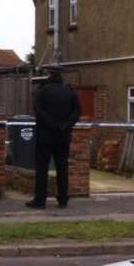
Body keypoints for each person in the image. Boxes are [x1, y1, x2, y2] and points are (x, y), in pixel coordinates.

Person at [26, 65, 80, 209]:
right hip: (63, 136)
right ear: (61, 75)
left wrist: (53, 124)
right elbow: (77, 112)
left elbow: (39, 111)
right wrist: (65, 125)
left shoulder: (42, 91)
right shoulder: (70, 91)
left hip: (45, 136)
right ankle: (63, 200)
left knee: (42, 168)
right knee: (62, 168)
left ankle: (40, 200)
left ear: (49, 75)